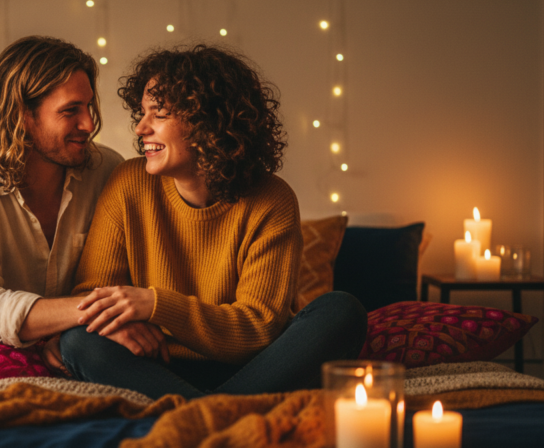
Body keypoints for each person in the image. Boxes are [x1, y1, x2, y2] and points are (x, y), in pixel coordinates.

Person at [57, 44, 369, 399]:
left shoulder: (272, 199)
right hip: (156, 365)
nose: (141, 128)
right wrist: (118, 325)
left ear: (208, 121)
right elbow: (91, 296)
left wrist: (156, 304)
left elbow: (259, 327)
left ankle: (194, 413)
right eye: (141, 113)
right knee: (78, 339)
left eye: (158, 113)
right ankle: (221, 411)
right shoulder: (129, 181)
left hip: (255, 366)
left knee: (342, 310)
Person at [0, 36, 162, 363]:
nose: (89, 124)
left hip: (88, 347)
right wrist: (87, 315)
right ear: (22, 115)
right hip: (11, 353)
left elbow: (134, 270)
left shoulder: (108, 170)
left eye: (88, 107)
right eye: (71, 111)